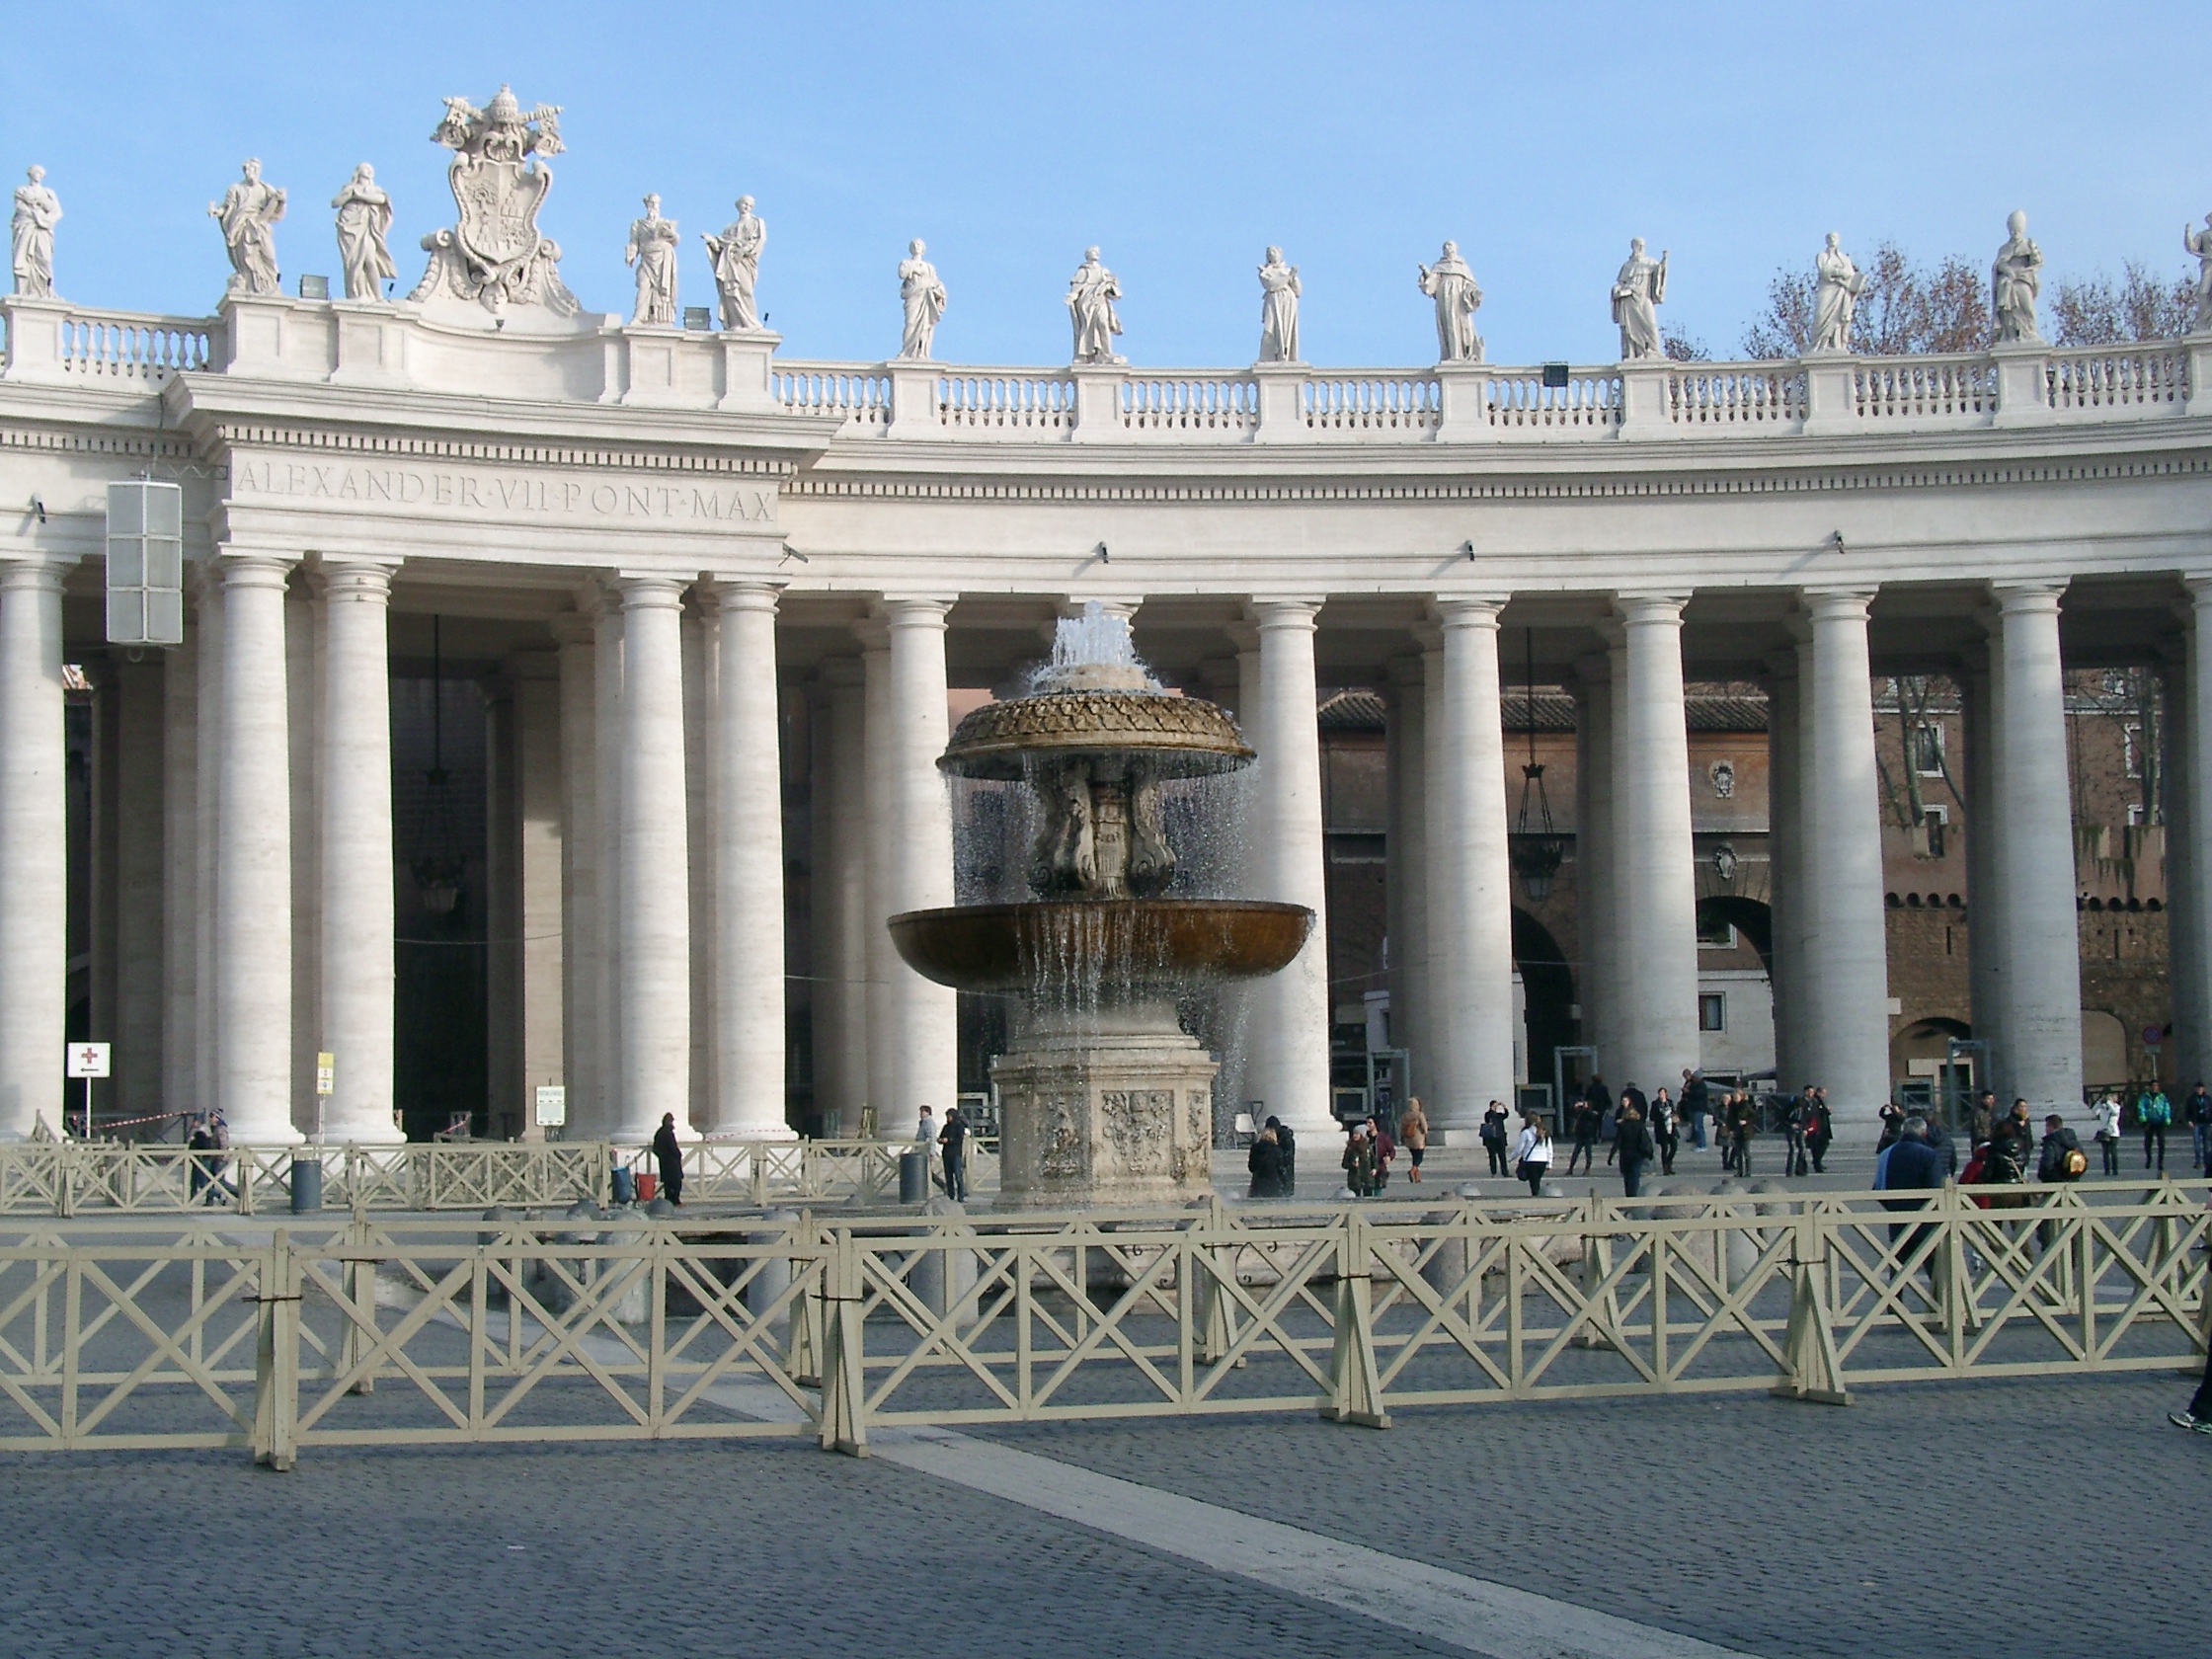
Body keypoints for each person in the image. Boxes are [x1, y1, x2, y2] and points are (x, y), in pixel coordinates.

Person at [1880, 1117, 1946, 1271]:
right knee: (1935, 1270)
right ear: (1924, 1134)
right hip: (1925, 1222)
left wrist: (1894, 1207)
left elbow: (1878, 1188)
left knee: (1898, 1271)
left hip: (1898, 1221)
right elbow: (1935, 1188)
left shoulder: (1886, 1154)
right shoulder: (1928, 1154)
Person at [1615, 1102, 1654, 1199]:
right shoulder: (1640, 1126)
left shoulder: (1623, 1126)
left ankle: (1629, 1194)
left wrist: (1611, 1155)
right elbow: (1645, 1140)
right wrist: (1649, 1153)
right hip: (1637, 1154)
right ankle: (1634, 1195)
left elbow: (1618, 1142)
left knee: (1627, 1176)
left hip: (1625, 1154)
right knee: (1635, 1175)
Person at [2036, 1114, 2086, 1185]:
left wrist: (2042, 1176)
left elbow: (2046, 1165)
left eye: (2046, 1126)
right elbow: (2083, 1161)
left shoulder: (2051, 1142)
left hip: (2054, 1183)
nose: (2045, 1129)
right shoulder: (2074, 1141)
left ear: (2051, 1127)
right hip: (2073, 1181)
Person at [1512, 1112, 1552, 1198]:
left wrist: (1511, 1157)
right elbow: (1549, 1149)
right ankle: (1538, 1195)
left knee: (1533, 1182)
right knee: (1537, 1180)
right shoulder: (1545, 1132)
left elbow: (1519, 1148)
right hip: (1543, 1160)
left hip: (1531, 1160)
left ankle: (1536, 1197)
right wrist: (1549, 1163)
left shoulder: (1526, 1132)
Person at [652, 1111, 684, 1207]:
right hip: (672, 1161)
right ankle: (675, 1201)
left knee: (668, 1183)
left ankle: (669, 1201)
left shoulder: (660, 1132)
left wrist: (661, 1155)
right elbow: (672, 1147)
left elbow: (655, 1148)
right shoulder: (668, 1133)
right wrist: (677, 1154)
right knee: (676, 1182)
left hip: (664, 1162)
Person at [937, 1104, 969, 1202]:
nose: (948, 1118)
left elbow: (959, 1139)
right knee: (948, 1176)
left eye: (949, 1116)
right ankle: (951, 1195)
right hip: (946, 1153)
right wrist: (940, 1140)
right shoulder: (946, 1127)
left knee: (958, 1176)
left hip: (955, 1153)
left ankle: (960, 1196)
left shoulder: (959, 1126)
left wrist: (949, 1140)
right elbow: (941, 1136)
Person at [1567, 1087, 1602, 1175]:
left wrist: (1587, 1108)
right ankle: (1570, 1168)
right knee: (1575, 1153)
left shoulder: (1591, 1112)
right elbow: (1574, 1113)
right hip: (1580, 1134)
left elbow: (1592, 1115)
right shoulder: (1581, 1112)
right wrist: (1576, 1107)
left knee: (1588, 1153)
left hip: (1588, 1135)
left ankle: (1587, 1168)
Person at [2139, 1084, 2172, 1172]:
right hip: (2149, 1121)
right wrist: (2143, 1120)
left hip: (2160, 1122)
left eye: (2156, 1086)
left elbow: (2166, 1108)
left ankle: (2160, 1163)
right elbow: (2141, 1108)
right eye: (2153, 1086)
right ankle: (2149, 1158)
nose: (2154, 1088)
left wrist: (2167, 1119)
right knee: (2148, 1143)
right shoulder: (2144, 1097)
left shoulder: (2162, 1097)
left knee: (2161, 1143)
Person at [2092, 1088, 2124, 1177]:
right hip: (2104, 1132)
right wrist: (2099, 1102)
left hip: (2113, 1132)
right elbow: (2094, 1112)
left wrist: (2109, 1102)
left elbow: (2114, 1112)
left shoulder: (2117, 1107)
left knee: (2113, 1152)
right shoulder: (2103, 1108)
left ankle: (2115, 1170)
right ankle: (2107, 1170)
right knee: (2105, 1153)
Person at [1397, 1096, 1429, 1185]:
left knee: (1414, 1157)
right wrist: (1425, 1133)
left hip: (1408, 1139)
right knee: (1419, 1158)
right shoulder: (1419, 1114)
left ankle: (1417, 1177)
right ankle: (1412, 1170)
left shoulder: (1405, 1115)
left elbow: (1401, 1127)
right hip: (1418, 1139)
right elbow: (1424, 1127)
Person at [1342, 1121, 1378, 1199]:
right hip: (1355, 1179)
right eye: (1354, 1134)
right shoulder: (1350, 1148)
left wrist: (1374, 1169)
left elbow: (1374, 1160)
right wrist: (1352, 1164)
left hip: (1367, 1177)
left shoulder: (1367, 1147)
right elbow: (1344, 1164)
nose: (1355, 1136)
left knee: (1368, 1198)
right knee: (1355, 1198)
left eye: (1357, 1134)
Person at [1247, 1123, 1284, 1198]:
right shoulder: (1277, 1151)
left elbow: (1251, 1168)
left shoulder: (1255, 1148)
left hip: (1258, 1185)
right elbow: (1281, 1170)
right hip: (1274, 1185)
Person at [1804, 1089, 1835, 1175]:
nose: (1824, 1095)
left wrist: (1827, 1111)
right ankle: (1817, 1163)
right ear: (1818, 1093)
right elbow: (1817, 1113)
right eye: (1823, 1093)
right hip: (1818, 1128)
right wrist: (1826, 1110)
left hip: (1821, 1128)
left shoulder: (1818, 1101)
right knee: (1820, 1145)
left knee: (1819, 1146)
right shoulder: (1815, 1101)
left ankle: (1817, 1162)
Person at [1725, 1091, 1756, 1177]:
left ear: (1741, 1096)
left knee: (1746, 1152)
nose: (1735, 1097)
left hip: (1746, 1131)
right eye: (1734, 1096)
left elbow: (1754, 1116)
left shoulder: (1745, 1105)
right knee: (1738, 1153)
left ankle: (1748, 1172)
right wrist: (1730, 1130)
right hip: (1736, 1131)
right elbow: (1729, 1119)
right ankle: (1739, 1171)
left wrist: (1746, 1121)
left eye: (1737, 1096)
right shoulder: (1732, 1107)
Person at [1649, 1087, 1678, 1176]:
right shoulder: (1655, 1104)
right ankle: (1665, 1168)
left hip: (1671, 1127)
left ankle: (1669, 1162)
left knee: (1674, 1146)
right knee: (1664, 1148)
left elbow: (1674, 1112)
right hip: (1661, 1128)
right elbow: (1652, 1117)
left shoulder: (1670, 1102)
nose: (1661, 1095)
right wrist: (1661, 1117)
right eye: (1660, 1093)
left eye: (1663, 1093)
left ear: (1666, 1094)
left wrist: (1673, 1117)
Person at [1479, 1099, 1511, 1178]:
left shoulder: (1499, 1115)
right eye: (1495, 1105)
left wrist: (1504, 1107)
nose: (1497, 1107)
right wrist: (1493, 1108)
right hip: (1491, 1139)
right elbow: (1488, 1118)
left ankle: (1505, 1172)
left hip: (1500, 1137)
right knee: (1492, 1156)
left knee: (1502, 1156)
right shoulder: (1488, 1114)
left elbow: (1506, 1115)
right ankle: (1493, 1172)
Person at [1681, 1068, 1709, 1150]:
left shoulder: (1701, 1085)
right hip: (1693, 1108)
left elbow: (1697, 1094)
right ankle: (1696, 1140)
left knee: (1698, 1126)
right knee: (1695, 1125)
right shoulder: (1693, 1084)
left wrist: (1688, 1092)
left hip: (1699, 1109)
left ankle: (1702, 1145)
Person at [1270, 1114, 1298, 1197]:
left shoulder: (1283, 1139)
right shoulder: (1286, 1137)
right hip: (1287, 1173)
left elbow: (1285, 1159)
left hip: (1284, 1173)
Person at [1368, 1113, 1397, 1193]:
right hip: (1366, 1167)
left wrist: (1389, 1157)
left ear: (1375, 1124)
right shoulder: (1364, 1137)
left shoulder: (1383, 1137)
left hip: (1379, 1166)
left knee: (1378, 1189)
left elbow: (1392, 1150)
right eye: (1367, 1123)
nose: (1368, 1125)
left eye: (1370, 1123)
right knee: (1367, 1190)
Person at [2186, 1081, 2212, 1170]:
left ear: (2203, 1089)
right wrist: (2189, 1121)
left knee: (2206, 1144)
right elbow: (2187, 1111)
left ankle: (2207, 1162)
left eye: (2200, 1088)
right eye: (2198, 1089)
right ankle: (2198, 1162)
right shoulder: (2191, 1099)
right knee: (2197, 1143)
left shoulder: (2208, 1099)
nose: (2199, 1090)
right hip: (2196, 1123)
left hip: (2206, 1123)